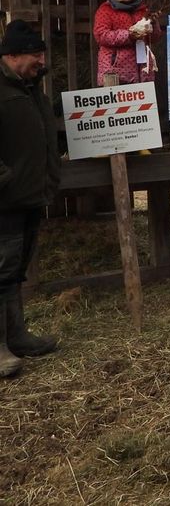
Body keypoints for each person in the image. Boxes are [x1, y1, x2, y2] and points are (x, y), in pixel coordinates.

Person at [0, 21, 60, 377]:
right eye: (35, 53)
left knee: (14, 272)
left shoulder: (31, 88)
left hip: (30, 196)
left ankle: (16, 336)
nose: (41, 59)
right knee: (0, 272)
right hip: (5, 199)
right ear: (11, 55)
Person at [93, 0, 162, 86]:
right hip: (115, 74)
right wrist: (129, 35)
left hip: (143, 73)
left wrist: (153, 24)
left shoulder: (143, 10)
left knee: (142, 105)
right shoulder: (106, 10)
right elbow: (101, 35)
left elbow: (154, 38)